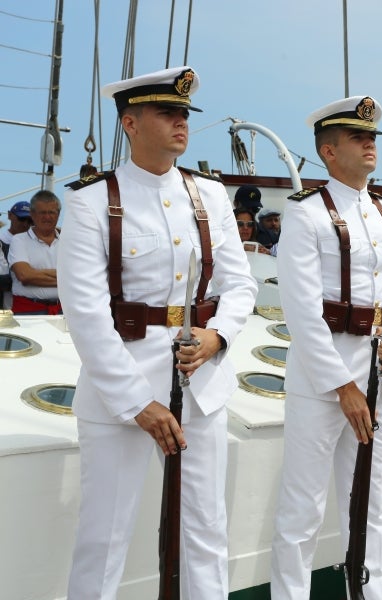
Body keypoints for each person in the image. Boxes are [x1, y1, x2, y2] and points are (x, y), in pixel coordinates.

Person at [57, 66, 257, 600]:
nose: (180, 123)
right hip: (119, 391)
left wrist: (219, 337)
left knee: (206, 532)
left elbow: (240, 285)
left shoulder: (211, 197)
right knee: (104, 539)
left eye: (184, 114)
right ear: (129, 122)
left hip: (202, 381)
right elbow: (87, 313)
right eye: (167, 113)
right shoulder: (90, 202)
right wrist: (138, 402)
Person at [270, 95, 382, 600]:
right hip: (324, 379)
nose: (369, 144)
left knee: (370, 502)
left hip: (380, 373)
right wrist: (343, 385)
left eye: (372, 137)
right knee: (303, 508)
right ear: (328, 152)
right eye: (358, 138)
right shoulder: (306, 215)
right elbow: (301, 310)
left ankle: (368, 593)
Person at [8, 190, 62, 314]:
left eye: (51, 212)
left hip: (64, 311)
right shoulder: (19, 240)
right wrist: (64, 278)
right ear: (32, 214)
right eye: (42, 212)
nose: (47, 217)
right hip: (28, 312)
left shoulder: (69, 241)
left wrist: (35, 273)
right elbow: (25, 276)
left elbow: (78, 275)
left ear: (58, 214)